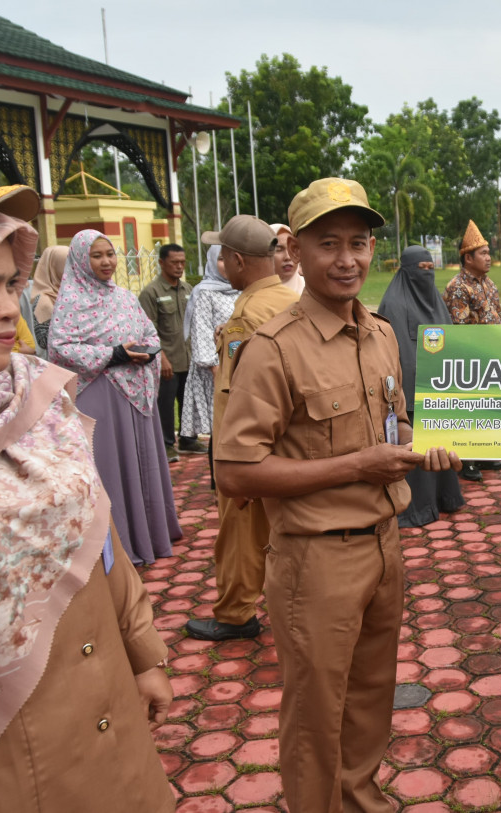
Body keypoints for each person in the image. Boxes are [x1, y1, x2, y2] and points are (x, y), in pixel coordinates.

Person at [0, 147, 173, 812]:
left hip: (113, 728)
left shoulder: (36, 394)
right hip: (3, 775)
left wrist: (143, 652)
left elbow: (99, 529)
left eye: (9, 283)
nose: (7, 309)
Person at [214, 177, 460, 812]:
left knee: (370, 699)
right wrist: (359, 465)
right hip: (315, 561)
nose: (348, 259)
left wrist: (422, 442)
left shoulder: (378, 334)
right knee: (316, 718)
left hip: (384, 547)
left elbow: (392, 423)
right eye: (329, 244)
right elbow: (235, 473)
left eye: (360, 242)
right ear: (294, 248)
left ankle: (359, 800)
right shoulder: (274, 348)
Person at [185, 215, 297, 642]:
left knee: (240, 534)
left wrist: (236, 464)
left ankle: (235, 614)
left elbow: (235, 395)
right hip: (285, 443)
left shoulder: (247, 314)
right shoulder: (287, 300)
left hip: (249, 450)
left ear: (234, 260)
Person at [48, 230, 182, 566]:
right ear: (81, 260)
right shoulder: (71, 302)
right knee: (113, 467)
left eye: (110, 254)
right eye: (97, 256)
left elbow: (147, 330)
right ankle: (121, 544)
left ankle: (151, 533)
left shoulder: (124, 297)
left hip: (136, 394)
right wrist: (113, 355)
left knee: (142, 463)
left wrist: (148, 351)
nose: (107, 261)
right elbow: (60, 349)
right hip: (102, 394)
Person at [377, 245, 466, 527]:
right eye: (420, 269)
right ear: (406, 270)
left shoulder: (436, 302)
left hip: (438, 388)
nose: (426, 274)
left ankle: (444, 498)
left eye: (430, 269)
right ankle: (415, 508)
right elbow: (390, 352)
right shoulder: (393, 303)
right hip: (410, 392)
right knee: (416, 446)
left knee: (439, 446)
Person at [444, 218, 501, 482]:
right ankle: (467, 460)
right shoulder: (458, 287)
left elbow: (499, 318)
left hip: (492, 354)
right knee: (469, 408)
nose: (489, 258)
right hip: (469, 357)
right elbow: (460, 328)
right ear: (468, 258)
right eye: (483, 253)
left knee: (489, 406)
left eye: (489, 253)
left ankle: (484, 453)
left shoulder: (490, 285)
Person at [181, 245, 239, 486]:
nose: (225, 265)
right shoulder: (205, 292)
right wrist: (218, 371)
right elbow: (202, 332)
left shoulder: (241, 290)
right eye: (221, 259)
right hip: (215, 372)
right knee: (221, 427)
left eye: (231, 259)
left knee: (238, 425)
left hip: (241, 368)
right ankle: (220, 482)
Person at [140, 242, 203, 462]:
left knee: (189, 403)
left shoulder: (188, 290)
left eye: (182, 263)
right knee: (165, 406)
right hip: (166, 360)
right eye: (174, 262)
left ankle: (188, 440)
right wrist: (161, 358)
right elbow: (148, 330)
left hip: (188, 357)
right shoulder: (151, 292)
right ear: (161, 263)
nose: (179, 267)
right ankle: (166, 445)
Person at [28, 244, 66, 352]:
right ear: (54, 267)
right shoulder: (44, 300)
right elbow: (44, 341)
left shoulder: (71, 292)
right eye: (66, 264)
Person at [271, 222, 305, 295]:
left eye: (293, 249)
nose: (288, 257)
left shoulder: (312, 291)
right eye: (279, 249)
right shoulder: (256, 295)